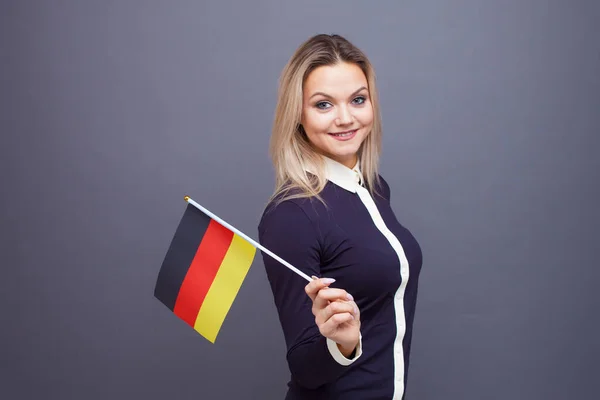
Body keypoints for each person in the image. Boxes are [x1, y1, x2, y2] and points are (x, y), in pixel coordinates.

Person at [257, 33, 423, 400]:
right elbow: (303, 365)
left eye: (358, 100)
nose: (346, 118)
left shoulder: (374, 189)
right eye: (323, 104)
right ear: (296, 114)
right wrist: (342, 344)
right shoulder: (292, 214)